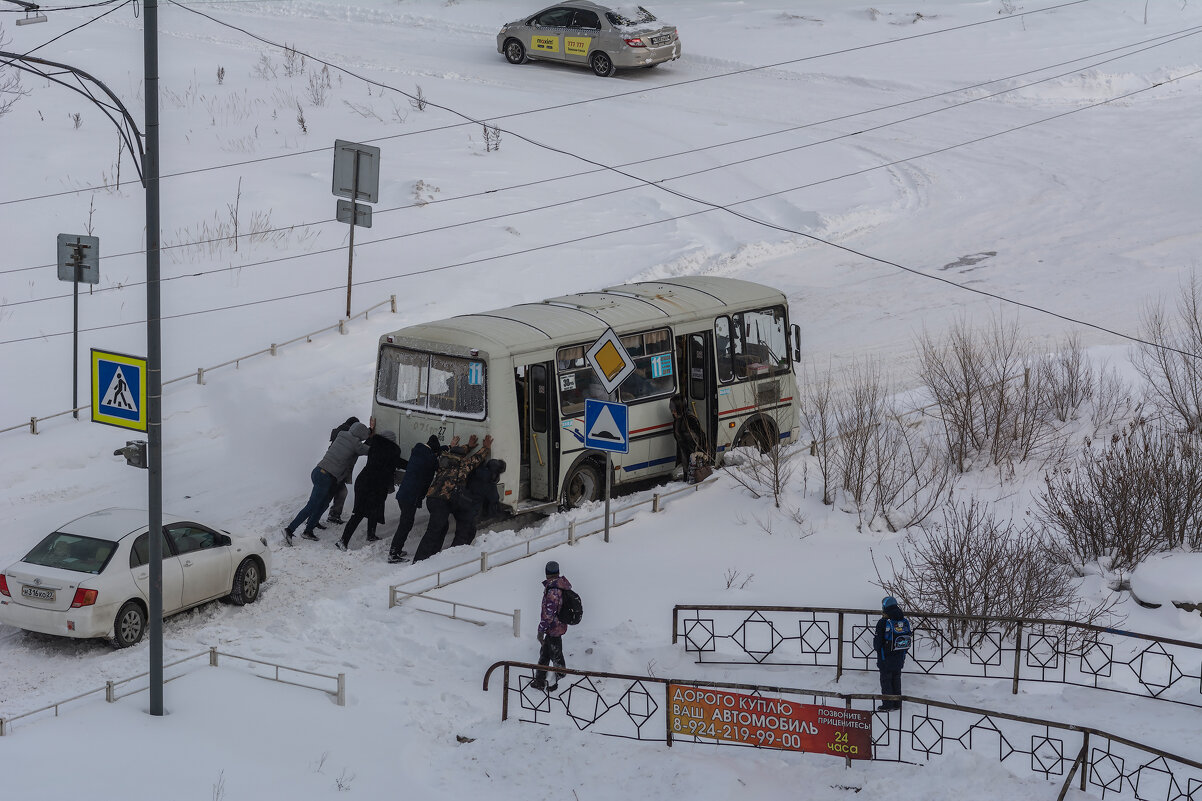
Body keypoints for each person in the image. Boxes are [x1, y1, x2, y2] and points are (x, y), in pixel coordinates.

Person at [285, 421, 371, 546]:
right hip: (326, 476)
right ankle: (289, 529)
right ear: (361, 434)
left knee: (323, 504)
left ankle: (308, 531)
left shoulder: (341, 434)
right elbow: (369, 450)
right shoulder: (355, 444)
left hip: (319, 471)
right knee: (312, 505)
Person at [411, 433, 493, 563]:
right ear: (462, 457)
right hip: (442, 501)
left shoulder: (443, 460)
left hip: (432, 498)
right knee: (434, 531)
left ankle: (432, 556)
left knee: (441, 527)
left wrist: (468, 446)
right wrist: (486, 448)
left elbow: (457, 452)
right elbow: (477, 459)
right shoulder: (462, 465)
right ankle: (419, 561)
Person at [336, 430, 404, 551]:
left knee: (373, 509)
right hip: (372, 485)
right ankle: (342, 541)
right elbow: (398, 463)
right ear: (391, 441)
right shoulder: (392, 451)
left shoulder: (375, 447)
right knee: (360, 513)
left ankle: (371, 535)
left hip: (364, 481)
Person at [387, 434, 443, 564]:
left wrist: (447, 446)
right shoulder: (430, 459)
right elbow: (436, 464)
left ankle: (396, 550)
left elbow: (433, 454)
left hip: (404, 494)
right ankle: (393, 553)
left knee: (405, 523)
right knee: (405, 525)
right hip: (411, 496)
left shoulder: (417, 451)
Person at [531, 560, 570, 692]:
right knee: (545, 654)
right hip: (554, 628)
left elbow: (548, 613)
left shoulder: (553, 590)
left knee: (556, 656)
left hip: (554, 628)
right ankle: (540, 680)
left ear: (547, 573)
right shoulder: (558, 586)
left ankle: (560, 683)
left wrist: (540, 630)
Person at [450, 458, 506, 549]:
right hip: (470, 508)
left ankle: (459, 551)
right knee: (465, 534)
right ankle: (454, 555)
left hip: (460, 504)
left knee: (465, 531)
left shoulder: (476, 471)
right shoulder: (490, 482)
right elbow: (494, 498)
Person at [874, 596, 912, 712]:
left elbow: (877, 643)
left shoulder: (883, 622)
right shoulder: (903, 621)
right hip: (900, 656)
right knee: (896, 678)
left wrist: (879, 651)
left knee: (886, 680)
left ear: (884, 607)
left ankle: (887, 704)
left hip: (886, 657)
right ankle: (897, 703)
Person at [324, 416, 360, 525]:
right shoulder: (346, 432)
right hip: (337, 469)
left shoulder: (340, 431)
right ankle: (333, 514)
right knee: (338, 492)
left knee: (335, 492)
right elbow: (357, 445)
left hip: (332, 468)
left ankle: (328, 514)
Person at [670, 396, 708, 483]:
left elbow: (701, 435)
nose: (673, 412)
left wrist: (704, 452)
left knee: (697, 475)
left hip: (694, 452)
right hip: (684, 452)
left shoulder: (690, 418)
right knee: (688, 474)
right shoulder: (677, 420)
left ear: (680, 408)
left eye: (674, 410)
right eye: (672, 410)